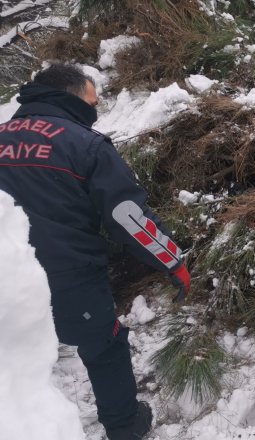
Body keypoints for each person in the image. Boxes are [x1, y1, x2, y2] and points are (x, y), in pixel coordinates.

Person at [0, 63, 190, 440]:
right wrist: (172, 260)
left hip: (8, 271)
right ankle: (124, 426)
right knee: (104, 345)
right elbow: (128, 217)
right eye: (92, 101)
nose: (96, 108)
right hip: (69, 273)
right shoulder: (84, 144)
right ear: (71, 97)